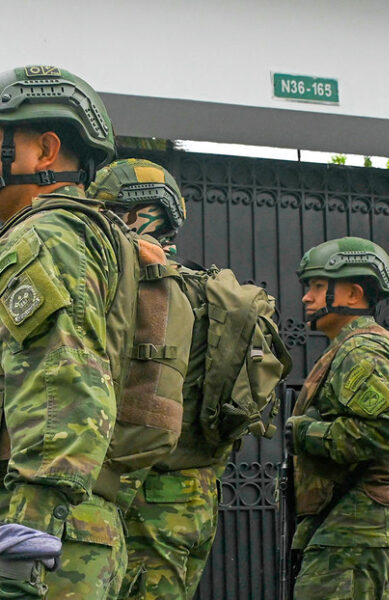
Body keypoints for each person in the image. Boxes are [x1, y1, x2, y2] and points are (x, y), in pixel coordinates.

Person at [0, 65, 191, 599]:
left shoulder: (43, 237)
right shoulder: (77, 236)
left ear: (46, 150)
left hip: (29, 534)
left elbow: (63, 389)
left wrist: (23, 553)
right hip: (48, 529)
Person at [88, 158, 290, 599]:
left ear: (136, 214)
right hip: (196, 494)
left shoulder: (140, 287)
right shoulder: (204, 288)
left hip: (141, 492)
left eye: (106, 210)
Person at [286, 237, 389, 599]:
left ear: (354, 294)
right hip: (355, 527)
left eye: (316, 286)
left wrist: (306, 433)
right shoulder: (349, 346)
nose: (306, 298)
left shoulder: (361, 349)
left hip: (358, 531)